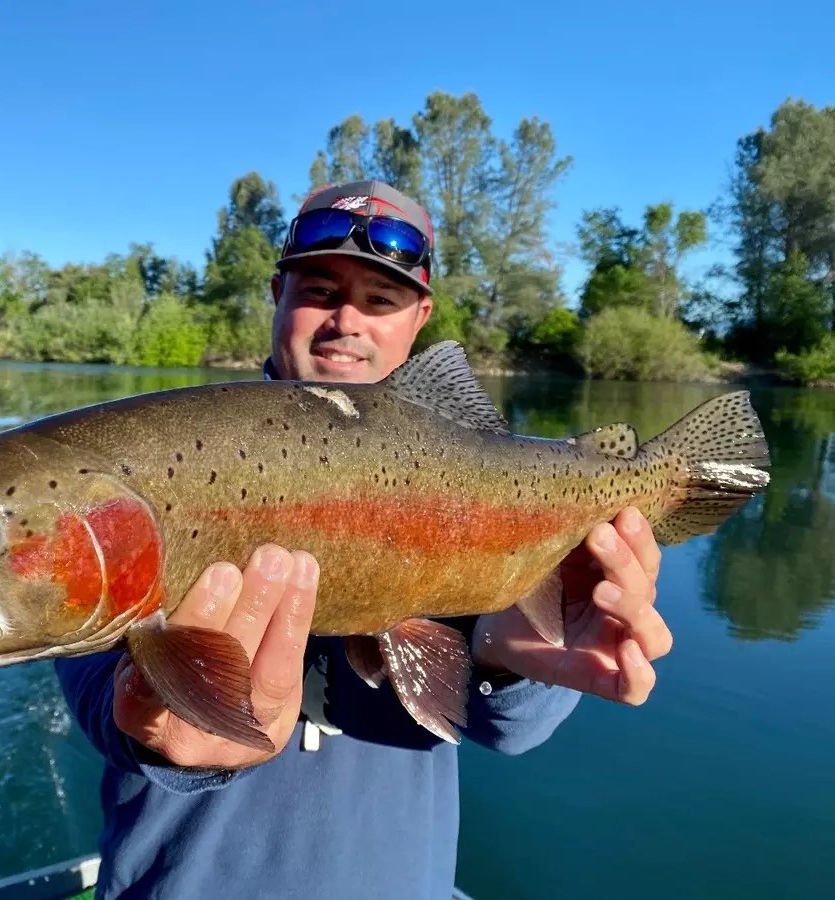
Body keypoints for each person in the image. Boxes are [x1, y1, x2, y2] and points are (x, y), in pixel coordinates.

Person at [55, 180, 672, 899]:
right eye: (320, 289)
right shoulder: (152, 462)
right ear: (278, 294)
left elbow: (511, 729)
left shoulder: (481, 488)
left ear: (421, 319)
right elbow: (102, 703)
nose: (347, 320)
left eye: (380, 301)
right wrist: (167, 729)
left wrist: (512, 657)